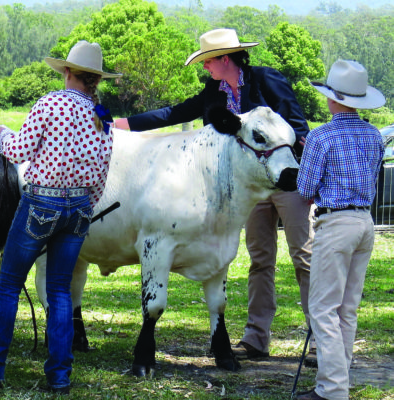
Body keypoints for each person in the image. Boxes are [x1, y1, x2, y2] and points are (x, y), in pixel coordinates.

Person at [113, 28, 315, 362]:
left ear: (225, 59)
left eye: (208, 61)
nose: (205, 67)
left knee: (304, 257)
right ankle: (256, 339)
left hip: (287, 180)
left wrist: (305, 175)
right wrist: (123, 124)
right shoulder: (213, 93)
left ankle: (319, 339)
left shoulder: (267, 80)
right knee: (260, 260)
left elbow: (298, 126)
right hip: (250, 187)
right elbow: (175, 113)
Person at [0, 40, 120, 394]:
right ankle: (59, 377)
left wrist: (0, 134)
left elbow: (18, 151)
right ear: (95, 79)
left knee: (9, 285)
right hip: (79, 208)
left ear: (67, 71)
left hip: (41, 203)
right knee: (60, 290)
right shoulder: (103, 116)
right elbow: (103, 171)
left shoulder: (51, 103)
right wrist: (84, 206)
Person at [295, 60, 385, 400]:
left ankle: (332, 389)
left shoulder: (320, 136)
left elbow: (305, 190)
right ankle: (338, 382)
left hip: (335, 224)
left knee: (323, 309)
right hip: (364, 222)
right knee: (347, 308)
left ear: (333, 98)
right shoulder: (374, 135)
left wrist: (311, 161)